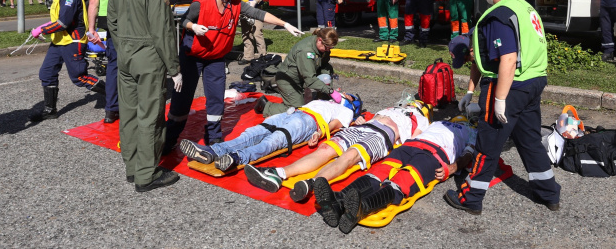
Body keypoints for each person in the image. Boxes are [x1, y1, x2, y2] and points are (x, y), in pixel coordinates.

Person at [444, 0, 560, 215]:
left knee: (488, 142)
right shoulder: (525, 7)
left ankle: (471, 197)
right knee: (529, 139)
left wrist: (499, 99)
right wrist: (469, 91)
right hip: (534, 80)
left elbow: (507, 58)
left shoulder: (498, 15)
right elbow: (483, 57)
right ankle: (548, 192)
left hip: (509, 84)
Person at [164, 0, 304, 150]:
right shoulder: (201, 3)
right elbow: (183, 20)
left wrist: (284, 24)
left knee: (215, 98)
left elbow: (259, 14)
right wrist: (194, 26)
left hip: (215, 57)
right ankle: (169, 139)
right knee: (182, 98)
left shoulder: (236, 5)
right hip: (193, 57)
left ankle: (213, 137)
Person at [107, 0, 182, 192]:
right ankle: (146, 175)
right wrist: (174, 68)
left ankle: (132, 167)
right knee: (150, 115)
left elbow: (112, 23)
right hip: (148, 58)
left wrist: (124, 48)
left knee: (128, 113)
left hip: (125, 56)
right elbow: (163, 32)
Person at [245, 101, 431, 203]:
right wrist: (360, 121)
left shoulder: (421, 120)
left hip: (383, 135)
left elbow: (413, 140)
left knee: (350, 156)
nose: (411, 104)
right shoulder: (391, 107)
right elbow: (372, 117)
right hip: (364, 127)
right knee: (326, 149)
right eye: (411, 102)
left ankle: (311, 184)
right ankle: (278, 173)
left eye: (416, 104)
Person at [316, 118, 476, 233]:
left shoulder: (472, 132)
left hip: (434, 155)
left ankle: (362, 208)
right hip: (410, 145)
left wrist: (453, 168)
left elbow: (468, 155)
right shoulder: (438, 122)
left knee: (402, 181)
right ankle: (337, 203)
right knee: (377, 173)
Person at [180, 92, 362, 172]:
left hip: (308, 122)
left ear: (353, 103)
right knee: (252, 133)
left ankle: (237, 158)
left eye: (349, 95)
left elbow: (336, 124)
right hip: (293, 113)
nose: (344, 93)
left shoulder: (346, 111)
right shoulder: (326, 101)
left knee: (273, 141)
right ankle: (213, 151)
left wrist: (320, 133)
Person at [29, 0, 104, 122]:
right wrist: (42, 27)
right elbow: (57, 20)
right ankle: (50, 110)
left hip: (72, 41)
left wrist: (42, 31)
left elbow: (63, 23)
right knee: (47, 73)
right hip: (59, 41)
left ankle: (115, 95)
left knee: (80, 78)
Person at [86, 0, 137, 124]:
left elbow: (93, 1)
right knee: (133, 61)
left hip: (107, 18)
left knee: (113, 63)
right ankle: (132, 104)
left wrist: (91, 28)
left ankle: (111, 108)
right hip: (130, 18)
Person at [258, 27, 337, 117]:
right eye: (327, 48)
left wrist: (326, 82)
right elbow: (310, 79)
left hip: (301, 77)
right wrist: (330, 91)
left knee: (327, 69)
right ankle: (266, 106)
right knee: (296, 110)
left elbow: (324, 64)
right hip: (288, 80)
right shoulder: (305, 51)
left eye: (330, 48)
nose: (328, 50)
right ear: (319, 40)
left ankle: (323, 101)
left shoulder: (322, 46)